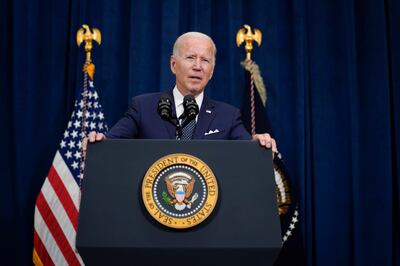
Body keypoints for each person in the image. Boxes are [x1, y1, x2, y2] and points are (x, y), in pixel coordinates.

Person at [85, 32, 277, 152]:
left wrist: (257, 144)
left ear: (212, 71)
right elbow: (111, 143)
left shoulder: (228, 116)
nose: (197, 66)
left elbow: (246, 152)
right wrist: (100, 141)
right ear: (173, 64)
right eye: (190, 57)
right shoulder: (143, 107)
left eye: (205, 60)